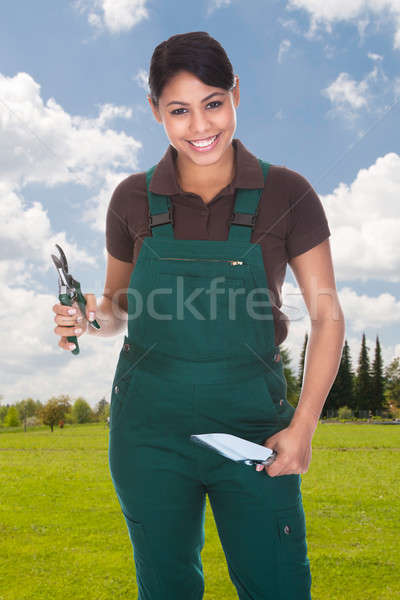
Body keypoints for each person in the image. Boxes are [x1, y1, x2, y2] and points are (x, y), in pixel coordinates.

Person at [53, 31, 345, 600]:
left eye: (213, 103)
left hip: (255, 427)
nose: (200, 126)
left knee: (279, 585)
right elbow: (117, 309)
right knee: (165, 588)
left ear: (236, 92)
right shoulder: (132, 199)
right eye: (178, 111)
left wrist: (304, 427)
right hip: (149, 431)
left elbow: (328, 316)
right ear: (155, 111)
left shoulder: (289, 192)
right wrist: (86, 316)